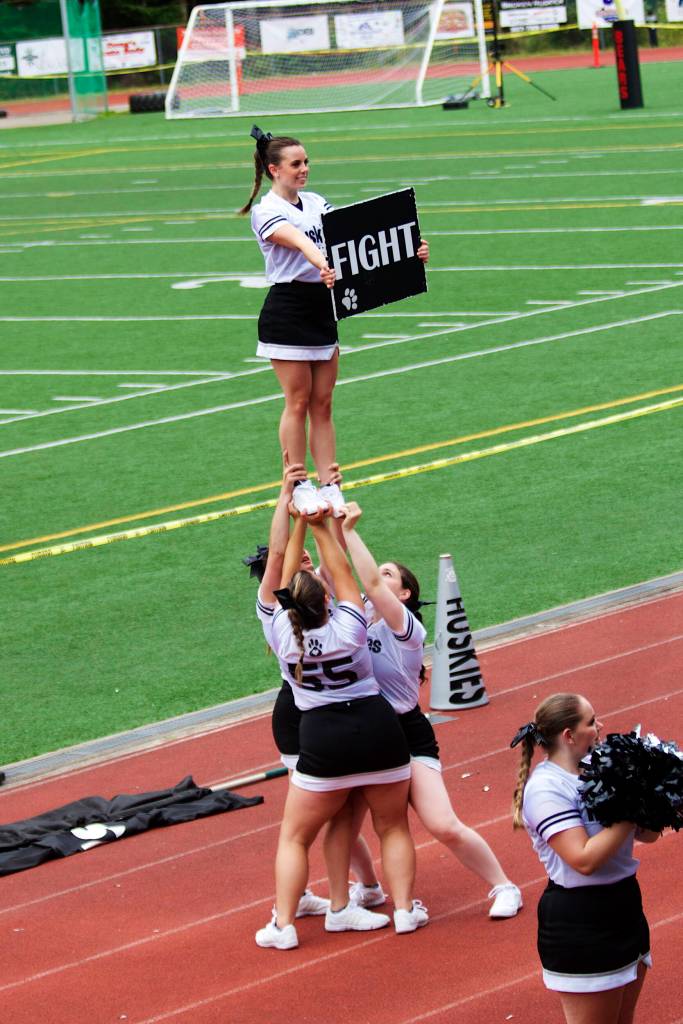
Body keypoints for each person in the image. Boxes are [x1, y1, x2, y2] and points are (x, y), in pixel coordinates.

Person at [338, 502, 522, 918]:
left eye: (390, 575)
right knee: (340, 829)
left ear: (403, 594)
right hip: (362, 735)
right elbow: (341, 575)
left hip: (405, 733)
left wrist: (349, 531)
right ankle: (368, 889)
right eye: (379, 571)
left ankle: (504, 886)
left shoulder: (406, 629)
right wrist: (325, 519)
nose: (378, 578)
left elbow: (364, 576)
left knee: (441, 824)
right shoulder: (351, 623)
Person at [255, 505, 427, 949]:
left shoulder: (280, 634)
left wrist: (296, 526)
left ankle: (284, 926)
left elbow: (282, 575)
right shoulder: (349, 627)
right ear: (327, 602)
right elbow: (345, 572)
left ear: (288, 603)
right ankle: (405, 911)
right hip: (378, 729)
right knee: (393, 827)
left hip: (322, 737)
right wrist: (320, 526)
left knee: (295, 836)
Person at [240, 125, 428, 517]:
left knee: (323, 404)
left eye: (306, 161)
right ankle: (298, 483)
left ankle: (330, 484)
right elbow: (300, 241)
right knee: (297, 400)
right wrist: (320, 261)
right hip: (288, 309)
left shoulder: (316, 202)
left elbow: (354, 239)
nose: (304, 169)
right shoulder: (266, 211)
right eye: (296, 163)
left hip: (322, 308)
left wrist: (409, 251)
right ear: (274, 170)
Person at [511, 693, 659, 1024]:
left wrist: (659, 798)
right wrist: (630, 804)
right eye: (591, 721)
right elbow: (584, 860)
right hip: (581, 922)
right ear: (568, 735)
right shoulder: (546, 788)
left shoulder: (600, 770)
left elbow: (646, 835)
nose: (600, 726)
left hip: (626, 908)